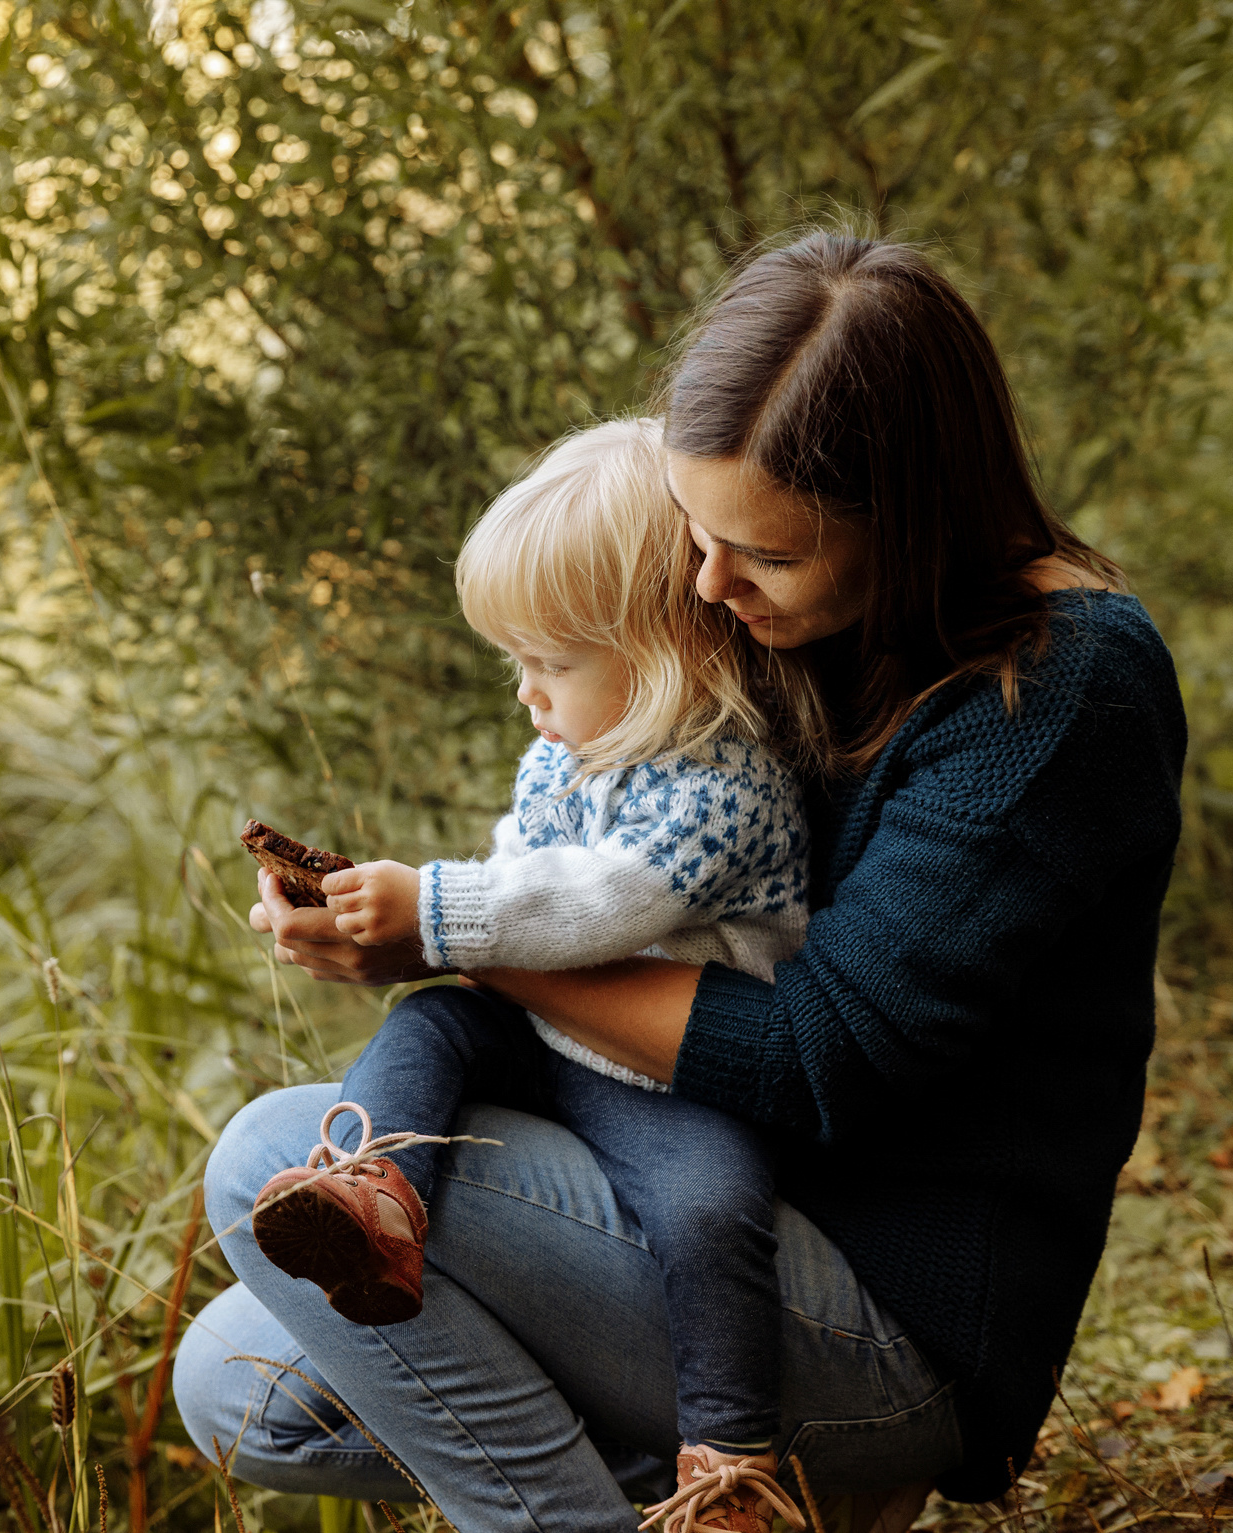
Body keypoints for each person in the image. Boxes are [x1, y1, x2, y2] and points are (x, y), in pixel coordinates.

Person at [174, 230, 1186, 1533]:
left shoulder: (1059, 691)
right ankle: (740, 1502)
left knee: (266, 1150)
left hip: (892, 1313)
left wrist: (451, 935)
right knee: (244, 1377)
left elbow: (823, 1055)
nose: (712, 586)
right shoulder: (824, 618)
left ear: (908, 517)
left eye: (759, 554)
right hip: (717, 1220)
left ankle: (741, 1473)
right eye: (701, 539)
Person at [247, 418, 811, 1533]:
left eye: (551, 664)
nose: (525, 693)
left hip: (672, 1076)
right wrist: (406, 924)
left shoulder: (728, 787)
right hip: (553, 1041)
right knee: (431, 1027)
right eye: (519, 663)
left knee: (711, 1212)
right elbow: (526, 863)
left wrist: (434, 909)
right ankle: (370, 1188)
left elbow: (599, 902)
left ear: (671, 657)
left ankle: (729, 1466)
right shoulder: (564, 751)